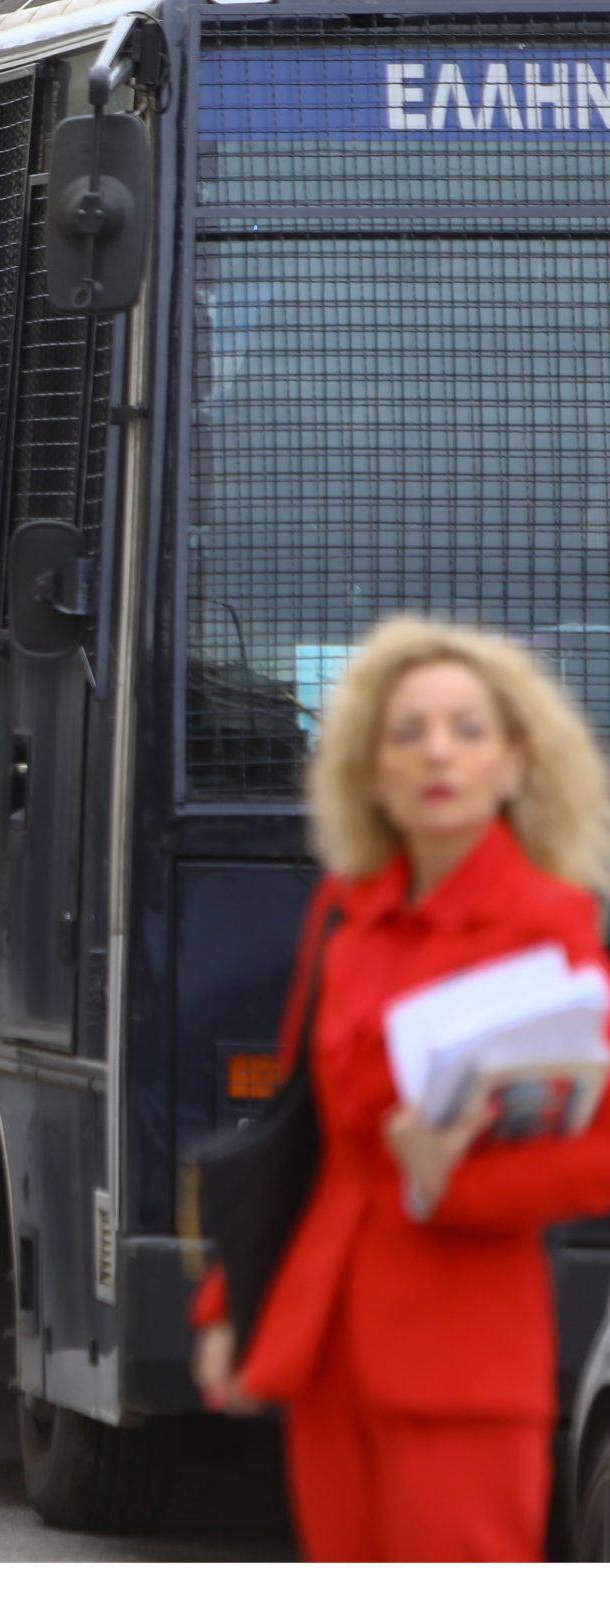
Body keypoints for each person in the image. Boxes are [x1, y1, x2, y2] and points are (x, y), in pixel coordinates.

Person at [189, 617, 610, 1560]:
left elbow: (596, 1154)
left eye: (468, 729)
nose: (437, 754)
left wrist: (450, 1179)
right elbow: (295, 1133)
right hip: (329, 1343)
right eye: (408, 731)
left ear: (514, 762)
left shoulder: (548, 920)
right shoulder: (347, 909)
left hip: (463, 1357)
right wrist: (232, 1305)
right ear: (370, 769)